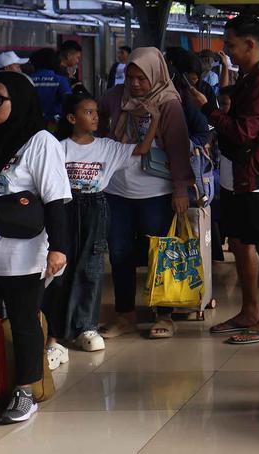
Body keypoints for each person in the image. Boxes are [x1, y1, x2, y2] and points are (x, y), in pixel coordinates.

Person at [0, 72, 71, 425]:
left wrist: (58, 249)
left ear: (17, 100)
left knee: (23, 320)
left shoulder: (41, 142)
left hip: (22, 250)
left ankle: (25, 391)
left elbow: (56, 200)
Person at [190, 15, 259, 346]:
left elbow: (245, 131)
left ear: (251, 44)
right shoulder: (250, 78)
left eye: (231, 45)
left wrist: (209, 110)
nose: (227, 51)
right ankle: (249, 311)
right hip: (238, 173)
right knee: (239, 242)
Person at [45, 94, 154, 361]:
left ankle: (87, 328)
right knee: (61, 269)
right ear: (72, 118)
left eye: (96, 112)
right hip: (65, 207)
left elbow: (141, 149)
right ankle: (55, 335)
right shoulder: (59, 148)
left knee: (91, 268)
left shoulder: (107, 146)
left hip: (96, 208)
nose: (95, 117)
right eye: (88, 112)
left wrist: (157, 120)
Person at [97, 48, 193, 340]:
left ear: (156, 74)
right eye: (130, 76)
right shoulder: (114, 97)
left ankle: (164, 314)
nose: (135, 84)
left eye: (142, 78)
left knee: (160, 253)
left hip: (156, 191)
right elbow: (99, 131)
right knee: (119, 252)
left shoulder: (169, 103)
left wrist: (180, 189)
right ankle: (124, 314)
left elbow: (178, 149)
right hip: (117, 189)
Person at [29, 48, 72, 126]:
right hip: (54, 124)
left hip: (32, 123)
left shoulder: (27, 79)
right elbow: (68, 102)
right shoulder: (60, 80)